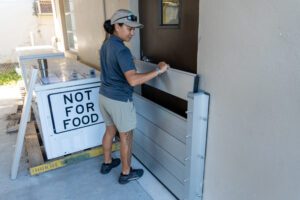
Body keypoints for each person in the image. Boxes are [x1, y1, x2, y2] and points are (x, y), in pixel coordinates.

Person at [98, 9, 169, 184]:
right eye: (129, 28)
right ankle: (126, 173)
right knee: (126, 137)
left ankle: (107, 163)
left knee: (109, 131)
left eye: (134, 29)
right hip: (119, 101)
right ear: (117, 26)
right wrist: (158, 70)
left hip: (104, 97)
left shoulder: (106, 44)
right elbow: (133, 80)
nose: (132, 32)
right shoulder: (122, 50)